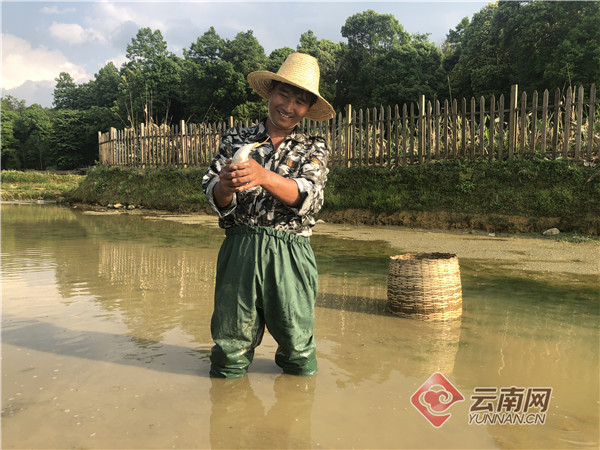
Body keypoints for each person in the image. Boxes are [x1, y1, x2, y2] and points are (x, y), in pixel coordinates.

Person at [202, 52, 335, 378]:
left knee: (298, 348)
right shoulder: (235, 140)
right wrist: (225, 187)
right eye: (283, 95)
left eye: (299, 102)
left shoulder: (313, 147)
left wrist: (263, 176)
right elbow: (212, 194)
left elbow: (310, 199)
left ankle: (295, 418)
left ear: (307, 110)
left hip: (291, 253)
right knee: (229, 348)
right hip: (240, 250)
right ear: (271, 93)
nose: (288, 107)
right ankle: (225, 419)